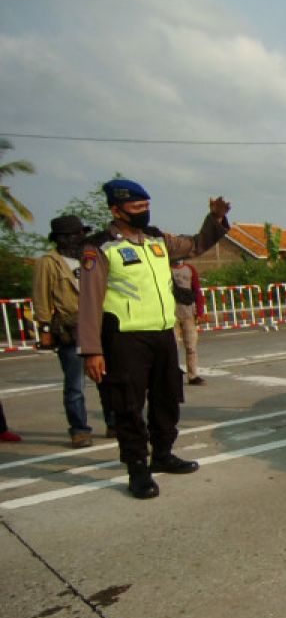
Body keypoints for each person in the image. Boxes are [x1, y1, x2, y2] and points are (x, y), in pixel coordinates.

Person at [78, 178, 232, 499]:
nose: (143, 213)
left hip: (163, 334)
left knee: (167, 397)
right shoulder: (100, 247)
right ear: (116, 210)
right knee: (129, 406)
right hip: (124, 338)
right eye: (136, 208)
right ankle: (137, 469)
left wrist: (215, 219)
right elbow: (90, 301)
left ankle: (162, 454)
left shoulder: (157, 240)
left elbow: (196, 244)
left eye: (146, 206)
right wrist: (92, 350)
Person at [32, 215, 111, 447]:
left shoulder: (91, 257)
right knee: (75, 384)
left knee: (107, 379)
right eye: (75, 235)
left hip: (99, 323)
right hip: (71, 326)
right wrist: (45, 328)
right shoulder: (49, 262)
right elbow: (41, 298)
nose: (80, 238)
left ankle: (113, 422)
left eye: (81, 234)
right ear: (62, 238)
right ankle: (79, 429)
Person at [170, 257, 206, 385]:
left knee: (191, 346)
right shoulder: (165, 269)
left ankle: (193, 375)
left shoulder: (190, 269)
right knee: (172, 348)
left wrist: (200, 310)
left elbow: (197, 290)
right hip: (170, 315)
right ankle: (172, 376)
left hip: (189, 314)